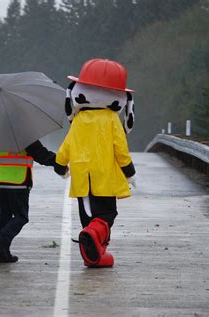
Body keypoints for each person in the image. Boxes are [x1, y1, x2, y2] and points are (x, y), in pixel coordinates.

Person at [54, 58, 136, 268]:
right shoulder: (111, 119)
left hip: (82, 181)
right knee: (107, 215)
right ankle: (94, 241)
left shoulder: (79, 120)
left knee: (88, 220)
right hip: (105, 180)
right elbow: (121, 149)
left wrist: (60, 165)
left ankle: (94, 256)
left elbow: (67, 145)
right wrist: (129, 171)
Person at [0, 140, 56, 263]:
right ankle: (2, 239)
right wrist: (60, 162)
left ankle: (1, 253)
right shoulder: (25, 135)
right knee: (21, 216)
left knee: (3, 216)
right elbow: (42, 155)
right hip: (18, 182)